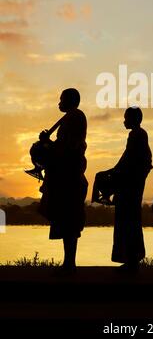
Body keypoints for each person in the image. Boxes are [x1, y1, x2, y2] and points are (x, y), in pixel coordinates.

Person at [39, 88, 88, 273]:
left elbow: (68, 147)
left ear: (70, 100)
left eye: (61, 100)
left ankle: (69, 263)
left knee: (69, 220)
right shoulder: (71, 117)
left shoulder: (75, 117)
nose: (59, 103)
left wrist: (48, 144)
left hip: (69, 176)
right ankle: (68, 263)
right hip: (65, 174)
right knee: (66, 219)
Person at [110, 107, 152, 272]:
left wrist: (114, 173)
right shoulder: (139, 135)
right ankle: (131, 259)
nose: (124, 121)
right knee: (131, 220)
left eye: (126, 118)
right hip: (132, 184)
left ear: (134, 119)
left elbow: (128, 159)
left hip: (130, 185)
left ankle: (132, 260)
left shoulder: (137, 135)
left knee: (128, 220)